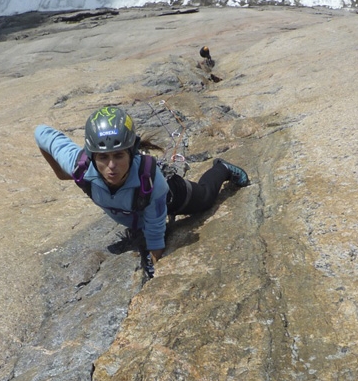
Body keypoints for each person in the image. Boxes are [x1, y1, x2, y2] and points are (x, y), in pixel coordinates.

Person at [34, 105, 249, 274]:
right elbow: (41, 133)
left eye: (119, 155)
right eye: (103, 157)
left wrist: (155, 268)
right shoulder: (78, 165)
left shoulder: (151, 182)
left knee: (205, 199)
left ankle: (222, 168)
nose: (111, 166)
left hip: (172, 196)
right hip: (135, 211)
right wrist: (60, 172)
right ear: (91, 156)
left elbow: (156, 233)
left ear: (131, 152)